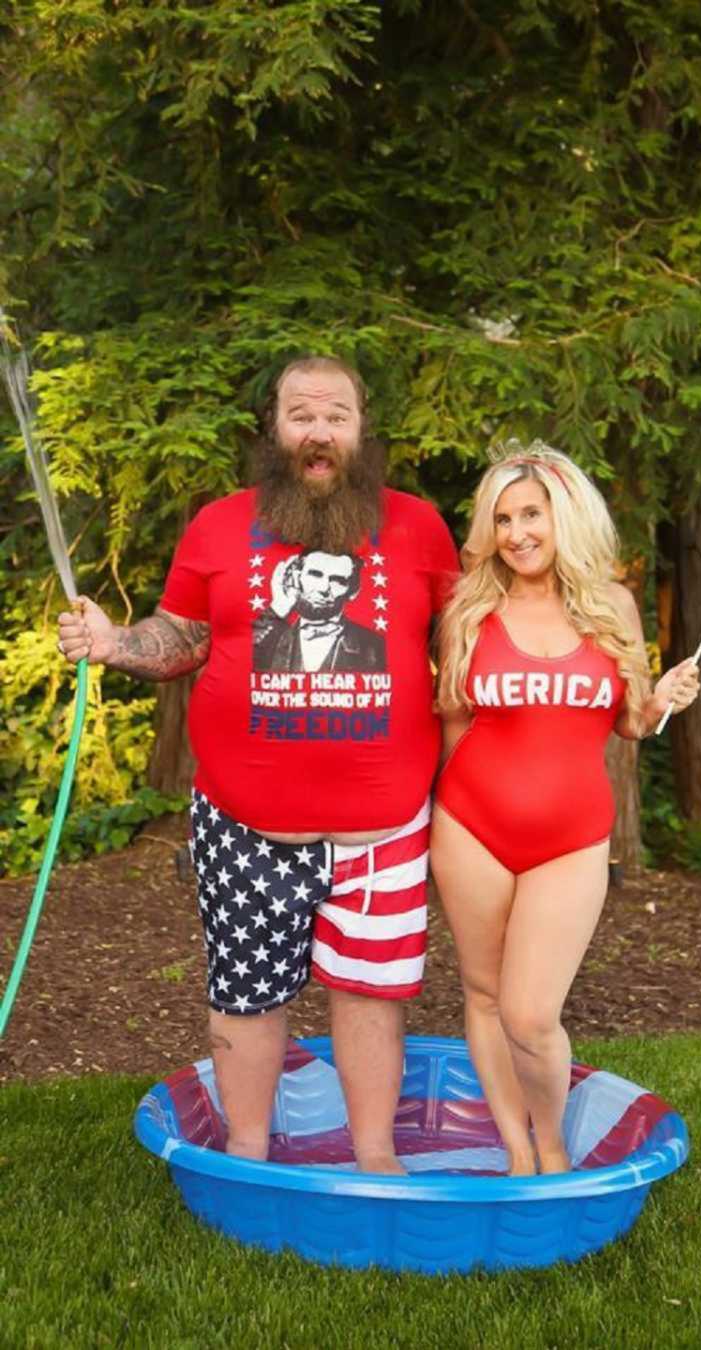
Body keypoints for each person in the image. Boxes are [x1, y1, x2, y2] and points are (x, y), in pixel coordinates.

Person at [58, 355, 458, 1172]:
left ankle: (376, 1157)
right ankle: (245, 1156)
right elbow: (182, 640)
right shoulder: (217, 525)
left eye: (336, 416)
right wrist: (114, 643)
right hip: (244, 826)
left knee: (371, 998)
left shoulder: (419, 527)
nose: (318, 433)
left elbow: (463, 655)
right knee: (245, 994)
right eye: (301, 415)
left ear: (362, 429)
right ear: (275, 429)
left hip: (383, 832)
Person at [431, 441, 699, 1176]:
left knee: (529, 1013)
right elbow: (454, 722)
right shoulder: (471, 608)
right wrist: (452, 812)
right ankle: (517, 1154)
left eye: (531, 515)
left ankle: (552, 1146)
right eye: (504, 518)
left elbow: (629, 726)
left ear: (565, 516)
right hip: (471, 830)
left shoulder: (610, 605)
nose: (517, 532)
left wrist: (660, 700)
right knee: (484, 998)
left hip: (571, 839)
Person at [253, 548, 386, 671]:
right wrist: (278, 607)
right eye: (315, 574)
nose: (323, 588)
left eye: (337, 580)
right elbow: (241, 659)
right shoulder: (271, 638)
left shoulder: (375, 646)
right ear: (297, 578)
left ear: (353, 591)